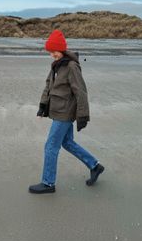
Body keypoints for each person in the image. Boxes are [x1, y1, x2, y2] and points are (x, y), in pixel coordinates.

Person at [29, 29, 104, 194]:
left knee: (50, 146)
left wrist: (83, 115)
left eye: (54, 52)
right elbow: (48, 86)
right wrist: (42, 106)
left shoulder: (71, 66)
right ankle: (95, 166)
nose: (51, 55)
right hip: (57, 110)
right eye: (50, 52)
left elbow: (81, 92)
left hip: (65, 113)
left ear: (61, 49)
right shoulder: (56, 66)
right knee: (67, 142)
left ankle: (48, 183)